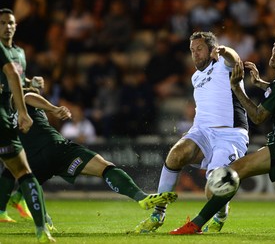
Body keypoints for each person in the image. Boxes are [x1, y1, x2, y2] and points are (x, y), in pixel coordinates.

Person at [170, 29, 275, 234]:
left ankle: (195, 224)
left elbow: (258, 117)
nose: (274, 54)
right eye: (274, 48)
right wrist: (262, 85)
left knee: (233, 172)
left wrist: (237, 88)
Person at [0, 88, 178, 226]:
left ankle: (38, 219)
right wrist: (54, 109)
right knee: (104, 167)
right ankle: (140, 197)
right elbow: (28, 96)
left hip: (34, 162)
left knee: (29, 181)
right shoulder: (22, 101)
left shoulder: (5, 118)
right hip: (58, 149)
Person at [134, 31, 249, 233]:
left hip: (229, 134)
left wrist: (224, 50)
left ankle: (220, 216)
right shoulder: (196, 77)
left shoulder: (224, 64)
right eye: (192, 50)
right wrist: (192, 131)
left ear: (212, 50)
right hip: (202, 131)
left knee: (214, 188)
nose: (195, 54)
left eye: (200, 49)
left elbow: (234, 57)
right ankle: (157, 214)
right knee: (176, 154)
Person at [0, 7, 55, 242]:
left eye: (10, 22)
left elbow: (18, 82)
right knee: (23, 172)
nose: (7, 26)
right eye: (2, 23)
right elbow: (11, 75)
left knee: (17, 170)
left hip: (4, 116)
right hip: (5, 117)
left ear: (16, 25)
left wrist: (31, 82)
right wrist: (23, 113)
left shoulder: (18, 53)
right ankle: (42, 227)